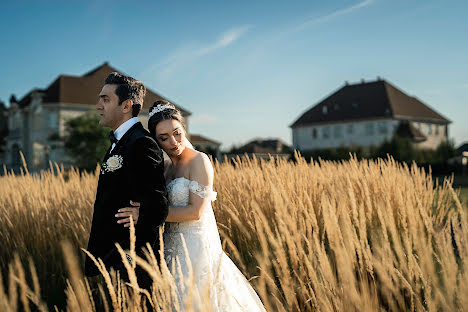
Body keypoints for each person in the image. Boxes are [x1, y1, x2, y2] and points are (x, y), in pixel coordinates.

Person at [120, 100, 266, 311]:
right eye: (164, 138)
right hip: (170, 248)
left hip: (197, 248)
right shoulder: (166, 168)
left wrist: (145, 215)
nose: (173, 141)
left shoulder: (199, 160)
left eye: (177, 133)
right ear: (156, 141)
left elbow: (196, 212)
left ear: (183, 129)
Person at [84, 72, 168, 291]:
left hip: (133, 263)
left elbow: (157, 205)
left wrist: (131, 260)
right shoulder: (120, 142)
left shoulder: (141, 143)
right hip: (114, 257)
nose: (98, 106)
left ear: (126, 106)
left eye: (105, 99)